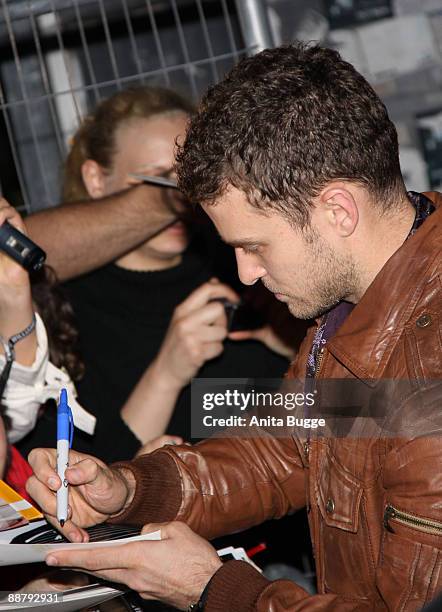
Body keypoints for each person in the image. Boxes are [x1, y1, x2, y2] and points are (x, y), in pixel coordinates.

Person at [27, 43, 442, 610]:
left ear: (338, 211)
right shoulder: (359, 297)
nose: (245, 274)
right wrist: (128, 490)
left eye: (254, 245)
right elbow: (282, 452)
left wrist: (214, 590)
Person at [19, 86, 291, 463]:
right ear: (96, 179)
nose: (187, 193)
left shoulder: (241, 268)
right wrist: (167, 374)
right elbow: (81, 483)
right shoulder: (61, 313)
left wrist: (299, 347)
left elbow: (367, 415)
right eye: (157, 177)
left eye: (196, 175)